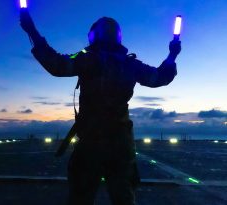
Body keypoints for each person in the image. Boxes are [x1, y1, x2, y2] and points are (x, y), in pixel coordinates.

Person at [20, 9, 181, 205]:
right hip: (121, 143)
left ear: (93, 35)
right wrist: (172, 55)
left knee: (81, 196)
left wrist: (32, 31)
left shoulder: (87, 59)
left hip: (91, 143)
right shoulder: (130, 65)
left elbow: (56, 64)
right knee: (124, 198)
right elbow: (159, 77)